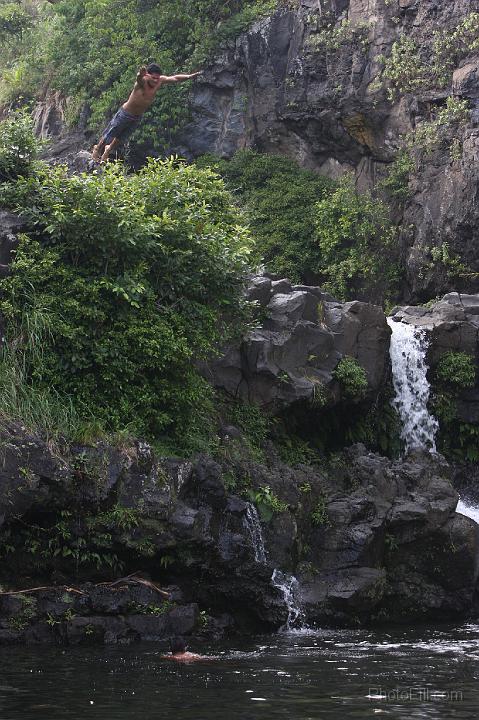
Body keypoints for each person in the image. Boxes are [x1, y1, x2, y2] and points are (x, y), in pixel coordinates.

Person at [92, 63, 202, 162]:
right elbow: (139, 77)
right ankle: (97, 149)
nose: (155, 80)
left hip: (137, 117)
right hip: (125, 113)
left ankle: (107, 150)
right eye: (153, 78)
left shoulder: (160, 81)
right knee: (111, 133)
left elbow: (175, 78)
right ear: (148, 75)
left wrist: (189, 76)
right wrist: (141, 73)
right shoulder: (142, 82)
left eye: (157, 78)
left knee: (121, 138)